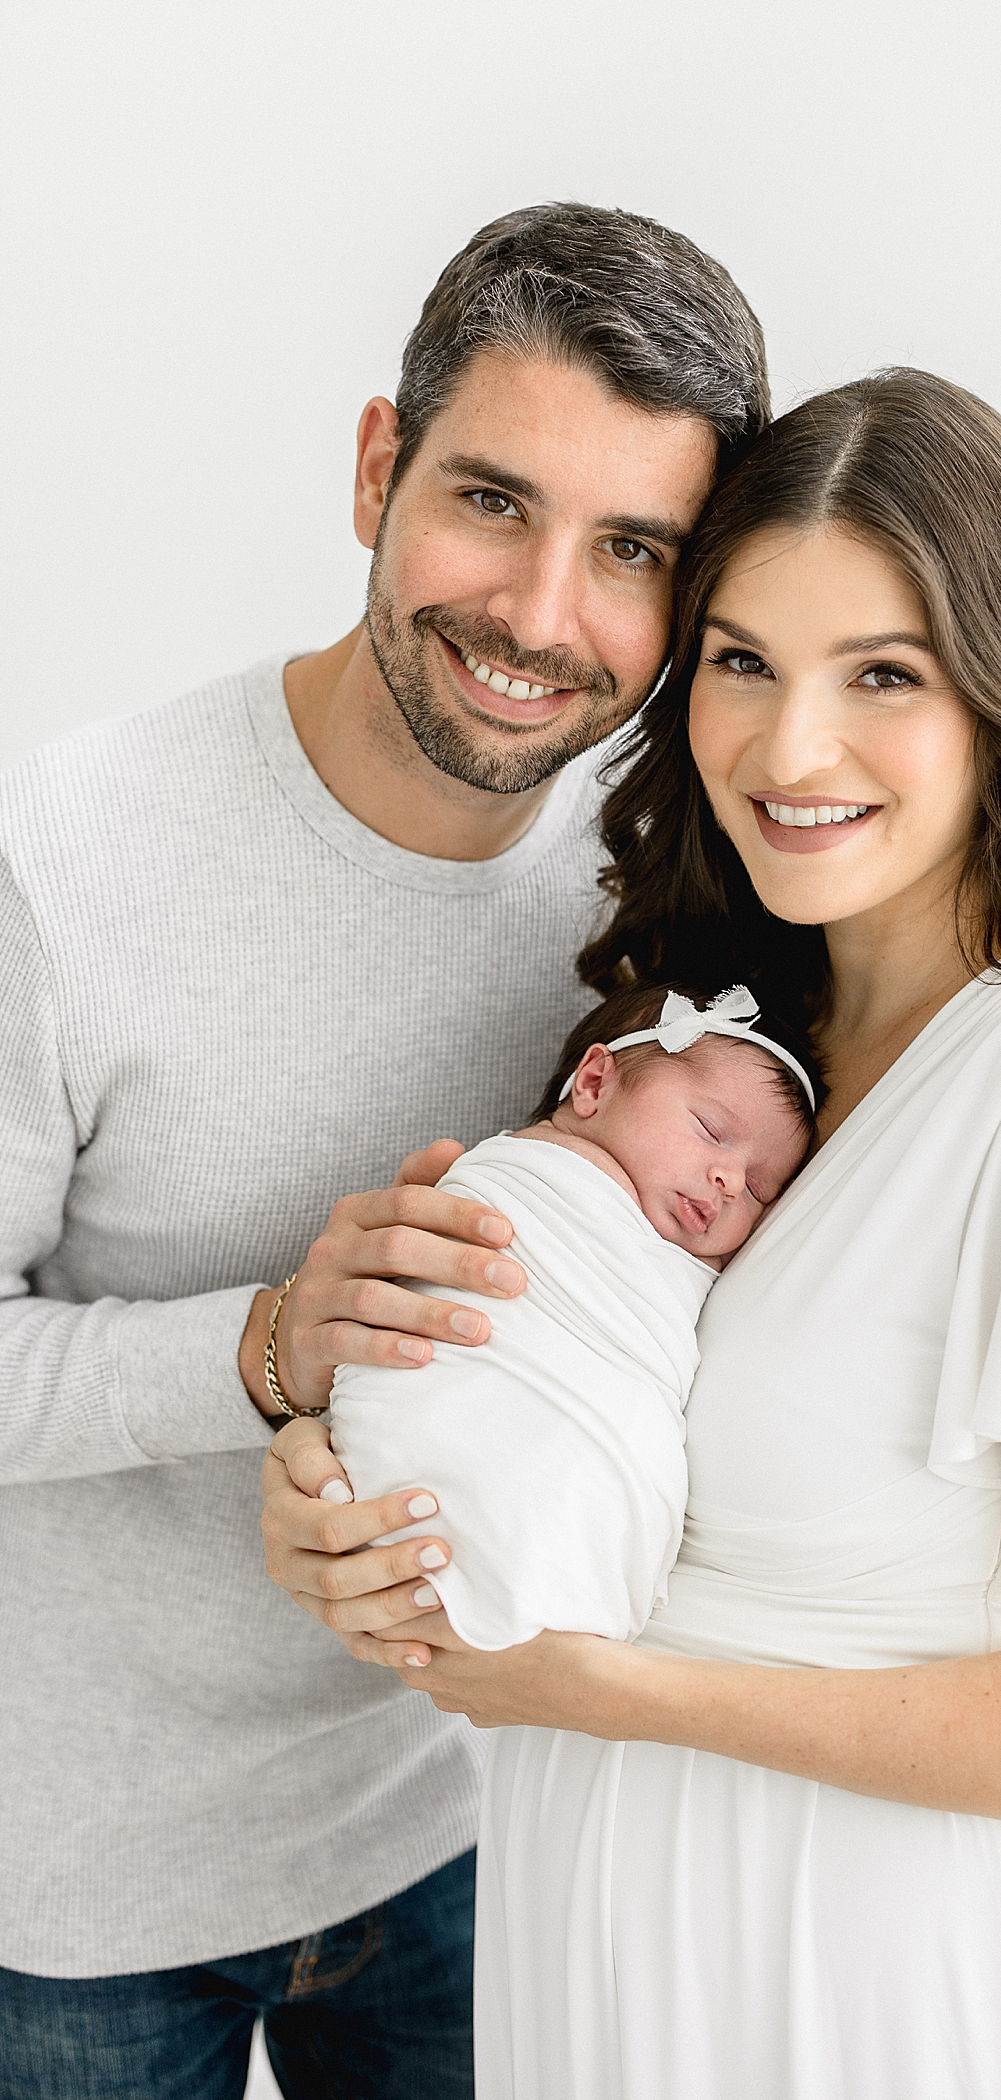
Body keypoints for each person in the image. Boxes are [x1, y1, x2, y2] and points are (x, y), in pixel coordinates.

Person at [264, 368, 1001, 2098]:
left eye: (881, 675)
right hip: (624, 1954)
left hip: (868, 1982)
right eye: (743, 662)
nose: (789, 748)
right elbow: (599, 1427)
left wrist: (610, 1694)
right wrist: (341, 1488)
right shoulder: (742, 1055)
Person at [0, 203, 768, 2100]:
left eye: (631, 553)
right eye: (492, 503)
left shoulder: (673, 884)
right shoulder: (61, 863)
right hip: (79, 1879)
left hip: (467, 1810)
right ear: (375, 467)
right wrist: (267, 1349)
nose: (537, 616)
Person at [328, 981, 815, 1651]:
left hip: (579, 1477)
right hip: (445, 1390)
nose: (732, 1180)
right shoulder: (523, 1175)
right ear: (592, 1084)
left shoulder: (685, 1270)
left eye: (761, 1188)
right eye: (711, 1131)